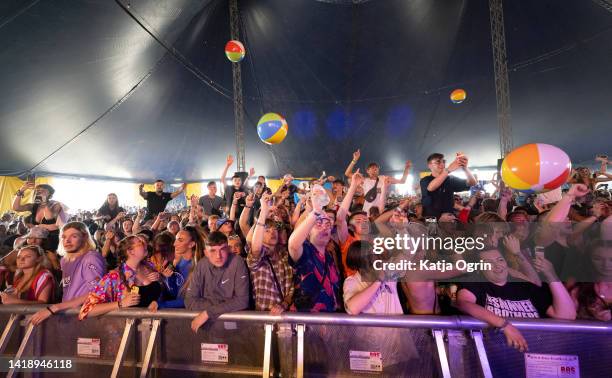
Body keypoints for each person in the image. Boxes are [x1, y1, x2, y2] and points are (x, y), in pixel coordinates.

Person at [456, 248, 576, 352]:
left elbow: (567, 316)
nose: (497, 265)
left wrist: (551, 275)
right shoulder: (476, 284)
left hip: (533, 353)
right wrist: (505, 325)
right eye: (488, 263)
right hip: (495, 356)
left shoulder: (525, 287)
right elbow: (464, 303)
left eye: (500, 260)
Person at [29, 222, 107, 325]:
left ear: (84, 237)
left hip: (89, 319)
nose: (67, 240)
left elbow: (96, 293)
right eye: (64, 237)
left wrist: (55, 307)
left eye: (74, 236)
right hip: (70, 317)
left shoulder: (91, 258)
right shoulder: (65, 260)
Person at [78, 235, 162, 319]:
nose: (145, 244)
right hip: (128, 329)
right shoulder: (114, 277)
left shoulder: (149, 267)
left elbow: (164, 295)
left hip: (156, 327)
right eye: (140, 243)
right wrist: (120, 303)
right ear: (130, 251)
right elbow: (86, 310)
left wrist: (161, 280)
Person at [184, 232, 249, 332]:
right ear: (206, 253)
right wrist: (224, 305)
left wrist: (208, 313)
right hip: (207, 327)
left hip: (232, 328)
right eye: (213, 251)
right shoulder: (202, 265)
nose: (218, 256)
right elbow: (189, 300)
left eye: (222, 249)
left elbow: (242, 301)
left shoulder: (237, 262)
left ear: (228, 249)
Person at [288, 190, 340, 312]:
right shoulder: (306, 251)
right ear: (308, 231)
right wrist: (315, 212)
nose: (324, 227)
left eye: (328, 224)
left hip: (329, 319)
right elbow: (293, 245)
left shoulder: (329, 257)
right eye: (318, 224)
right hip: (306, 320)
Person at [247, 193, 294, 313]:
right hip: (264, 316)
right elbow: (255, 247)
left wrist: (284, 304)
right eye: (267, 231)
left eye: (274, 230)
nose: (272, 233)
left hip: (286, 316)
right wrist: (263, 212)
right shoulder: (259, 256)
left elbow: (291, 288)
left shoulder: (285, 256)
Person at [149, 226, 206, 311]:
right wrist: (168, 279)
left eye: (180, 240)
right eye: (176, 239)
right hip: (179, 314)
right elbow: (176, 293)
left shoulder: (201, 267)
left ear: (191, 244)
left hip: (194, 314)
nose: (175, 244)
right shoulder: (178, 263)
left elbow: (191, 300)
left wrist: (163, 304)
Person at [344, 149, 412, 214]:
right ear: (367, 171)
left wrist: (407, 169)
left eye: (376, 167)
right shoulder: (364, 180)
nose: (375, 169)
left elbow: (402, 181)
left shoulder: (384, 178)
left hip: (380, 211)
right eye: (372, 167)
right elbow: (347, 173)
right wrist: (354, 160)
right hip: (367, 211)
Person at [343, 240, 403, 315]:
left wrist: (402, 230)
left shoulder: (387, 269)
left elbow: (407, 254)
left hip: (397, 326)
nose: (374, 257)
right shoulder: (352, 281)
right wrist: (379, 281)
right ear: (357, 261)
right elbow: (352, 309)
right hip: (372, 327)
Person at [420, 152, 477, 219]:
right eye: (438, 162)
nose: (442, 164)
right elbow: (431, 187)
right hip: (431, 219)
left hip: (448, 218)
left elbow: (472, 183)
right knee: (431, 228)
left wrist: (465, 168)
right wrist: (448, 170)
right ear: (429, 165)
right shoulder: (425, 180)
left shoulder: (449, 179)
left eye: (443, 162)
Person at [12, 182, 68, 250]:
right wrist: (21, 191)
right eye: (37, 191)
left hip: (51, 237)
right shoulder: (33, 206)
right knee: (17, 241)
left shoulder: (56, 205)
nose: (39, 192)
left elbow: (49, 218)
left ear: (50, 195)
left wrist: (44, 202)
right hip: (36, 237)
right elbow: (16, 208)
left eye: (43, 191)